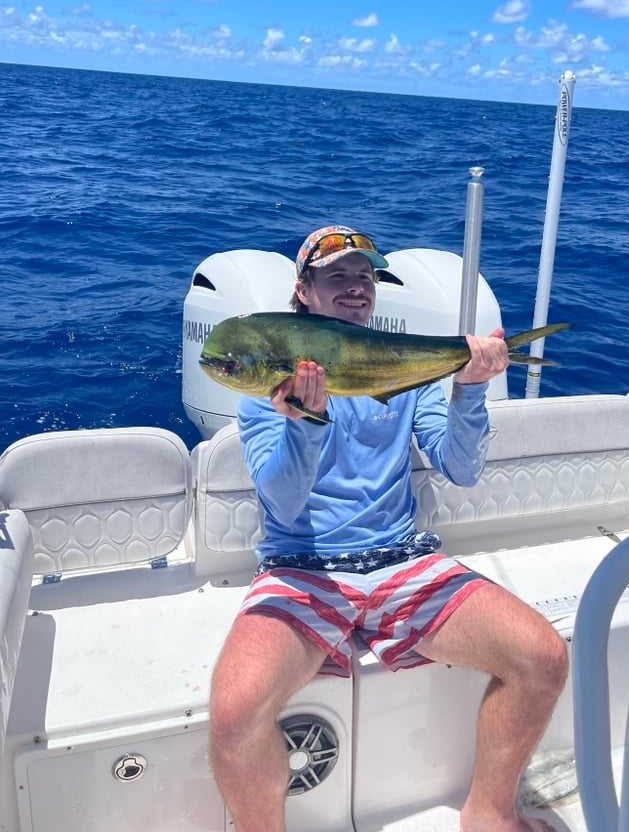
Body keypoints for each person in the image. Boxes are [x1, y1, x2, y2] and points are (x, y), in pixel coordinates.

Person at [209, 225, 568, 832]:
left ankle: (489, 814)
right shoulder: (265, 385)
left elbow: (462, 468)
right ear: (303, 291)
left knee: (543, 656)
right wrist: (305, 420)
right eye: (338, 276)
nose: (356, 287)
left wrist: (471, 389)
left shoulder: (407, 368)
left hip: (402, 558)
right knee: (234, 713)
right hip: (304, 567)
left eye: (365, 276)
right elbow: (284, 503)